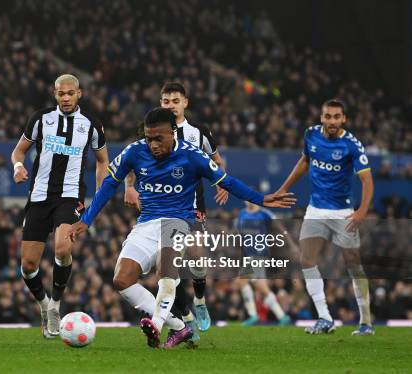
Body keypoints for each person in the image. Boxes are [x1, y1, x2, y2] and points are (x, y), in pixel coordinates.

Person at [69, 108, 295, 348]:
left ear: (173, 133)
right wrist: (87, 219)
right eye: (149, 138)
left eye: (159, 138)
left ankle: (156, 324)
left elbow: (227, 181)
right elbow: (109, 184)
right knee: (122, 280)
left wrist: (261, 199)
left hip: (179, 220)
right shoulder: (135, 152)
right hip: (146, 223)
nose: (153, 144)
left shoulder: (193, 156)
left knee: (166, 274)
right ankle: (179, 327)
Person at [123, 83, 227, 339]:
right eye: (166, 100)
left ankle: (200, 301)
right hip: (162, 207)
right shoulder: (153, 130)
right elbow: (133, 162)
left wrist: (222, 184)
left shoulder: (198, 132)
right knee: (170, 266)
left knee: (197, 260)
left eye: (175, 100)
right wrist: (129, 187)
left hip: (193, 203)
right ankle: (184, 318)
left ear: (185, 103)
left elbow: (216, 160)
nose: (170, 104)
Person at [11, 74, 109, 338]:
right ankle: (43, 305)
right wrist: (18, 166)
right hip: (39, 195)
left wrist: (99, 196)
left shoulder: (90, 124)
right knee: (28, 265)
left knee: (63, 246)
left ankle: (55, 303)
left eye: (70, 93)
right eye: (60, 94)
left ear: (79, 93)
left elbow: (102, 161)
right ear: (54, 95)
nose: (65, 98)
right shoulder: (41, 119)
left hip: (70, 194)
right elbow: (19, 150)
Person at [276, 99, 375, 335]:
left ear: (344, 119)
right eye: (327, 116)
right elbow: (304, 162)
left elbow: (367, 180)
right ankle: (324, 317)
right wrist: (283, 188)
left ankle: (366, 322)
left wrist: (361, 211)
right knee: (307, 260)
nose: (331, 121)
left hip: (343, 212)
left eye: (336, 117)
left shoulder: (352, 145)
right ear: (321, 117)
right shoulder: (311, 135)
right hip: (316, 209)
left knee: (353, 264)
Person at [234, 201, 292, 326]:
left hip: (259, 253)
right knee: (260, 286)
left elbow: (279, 227)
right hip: (249, 254)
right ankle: (281, 316)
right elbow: (240, 233)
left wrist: (290, 243)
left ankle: (253, 315)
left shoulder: (264, 213)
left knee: (243, 281)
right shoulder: (242, 214)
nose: (247, 200)